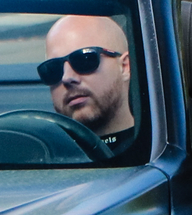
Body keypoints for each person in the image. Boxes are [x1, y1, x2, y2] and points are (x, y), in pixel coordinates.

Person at [41, 14, 143, 160]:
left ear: (125, 66)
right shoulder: (42, 155)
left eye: (85, 59)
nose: (67, 77)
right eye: (53, 69)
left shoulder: (157, 149)